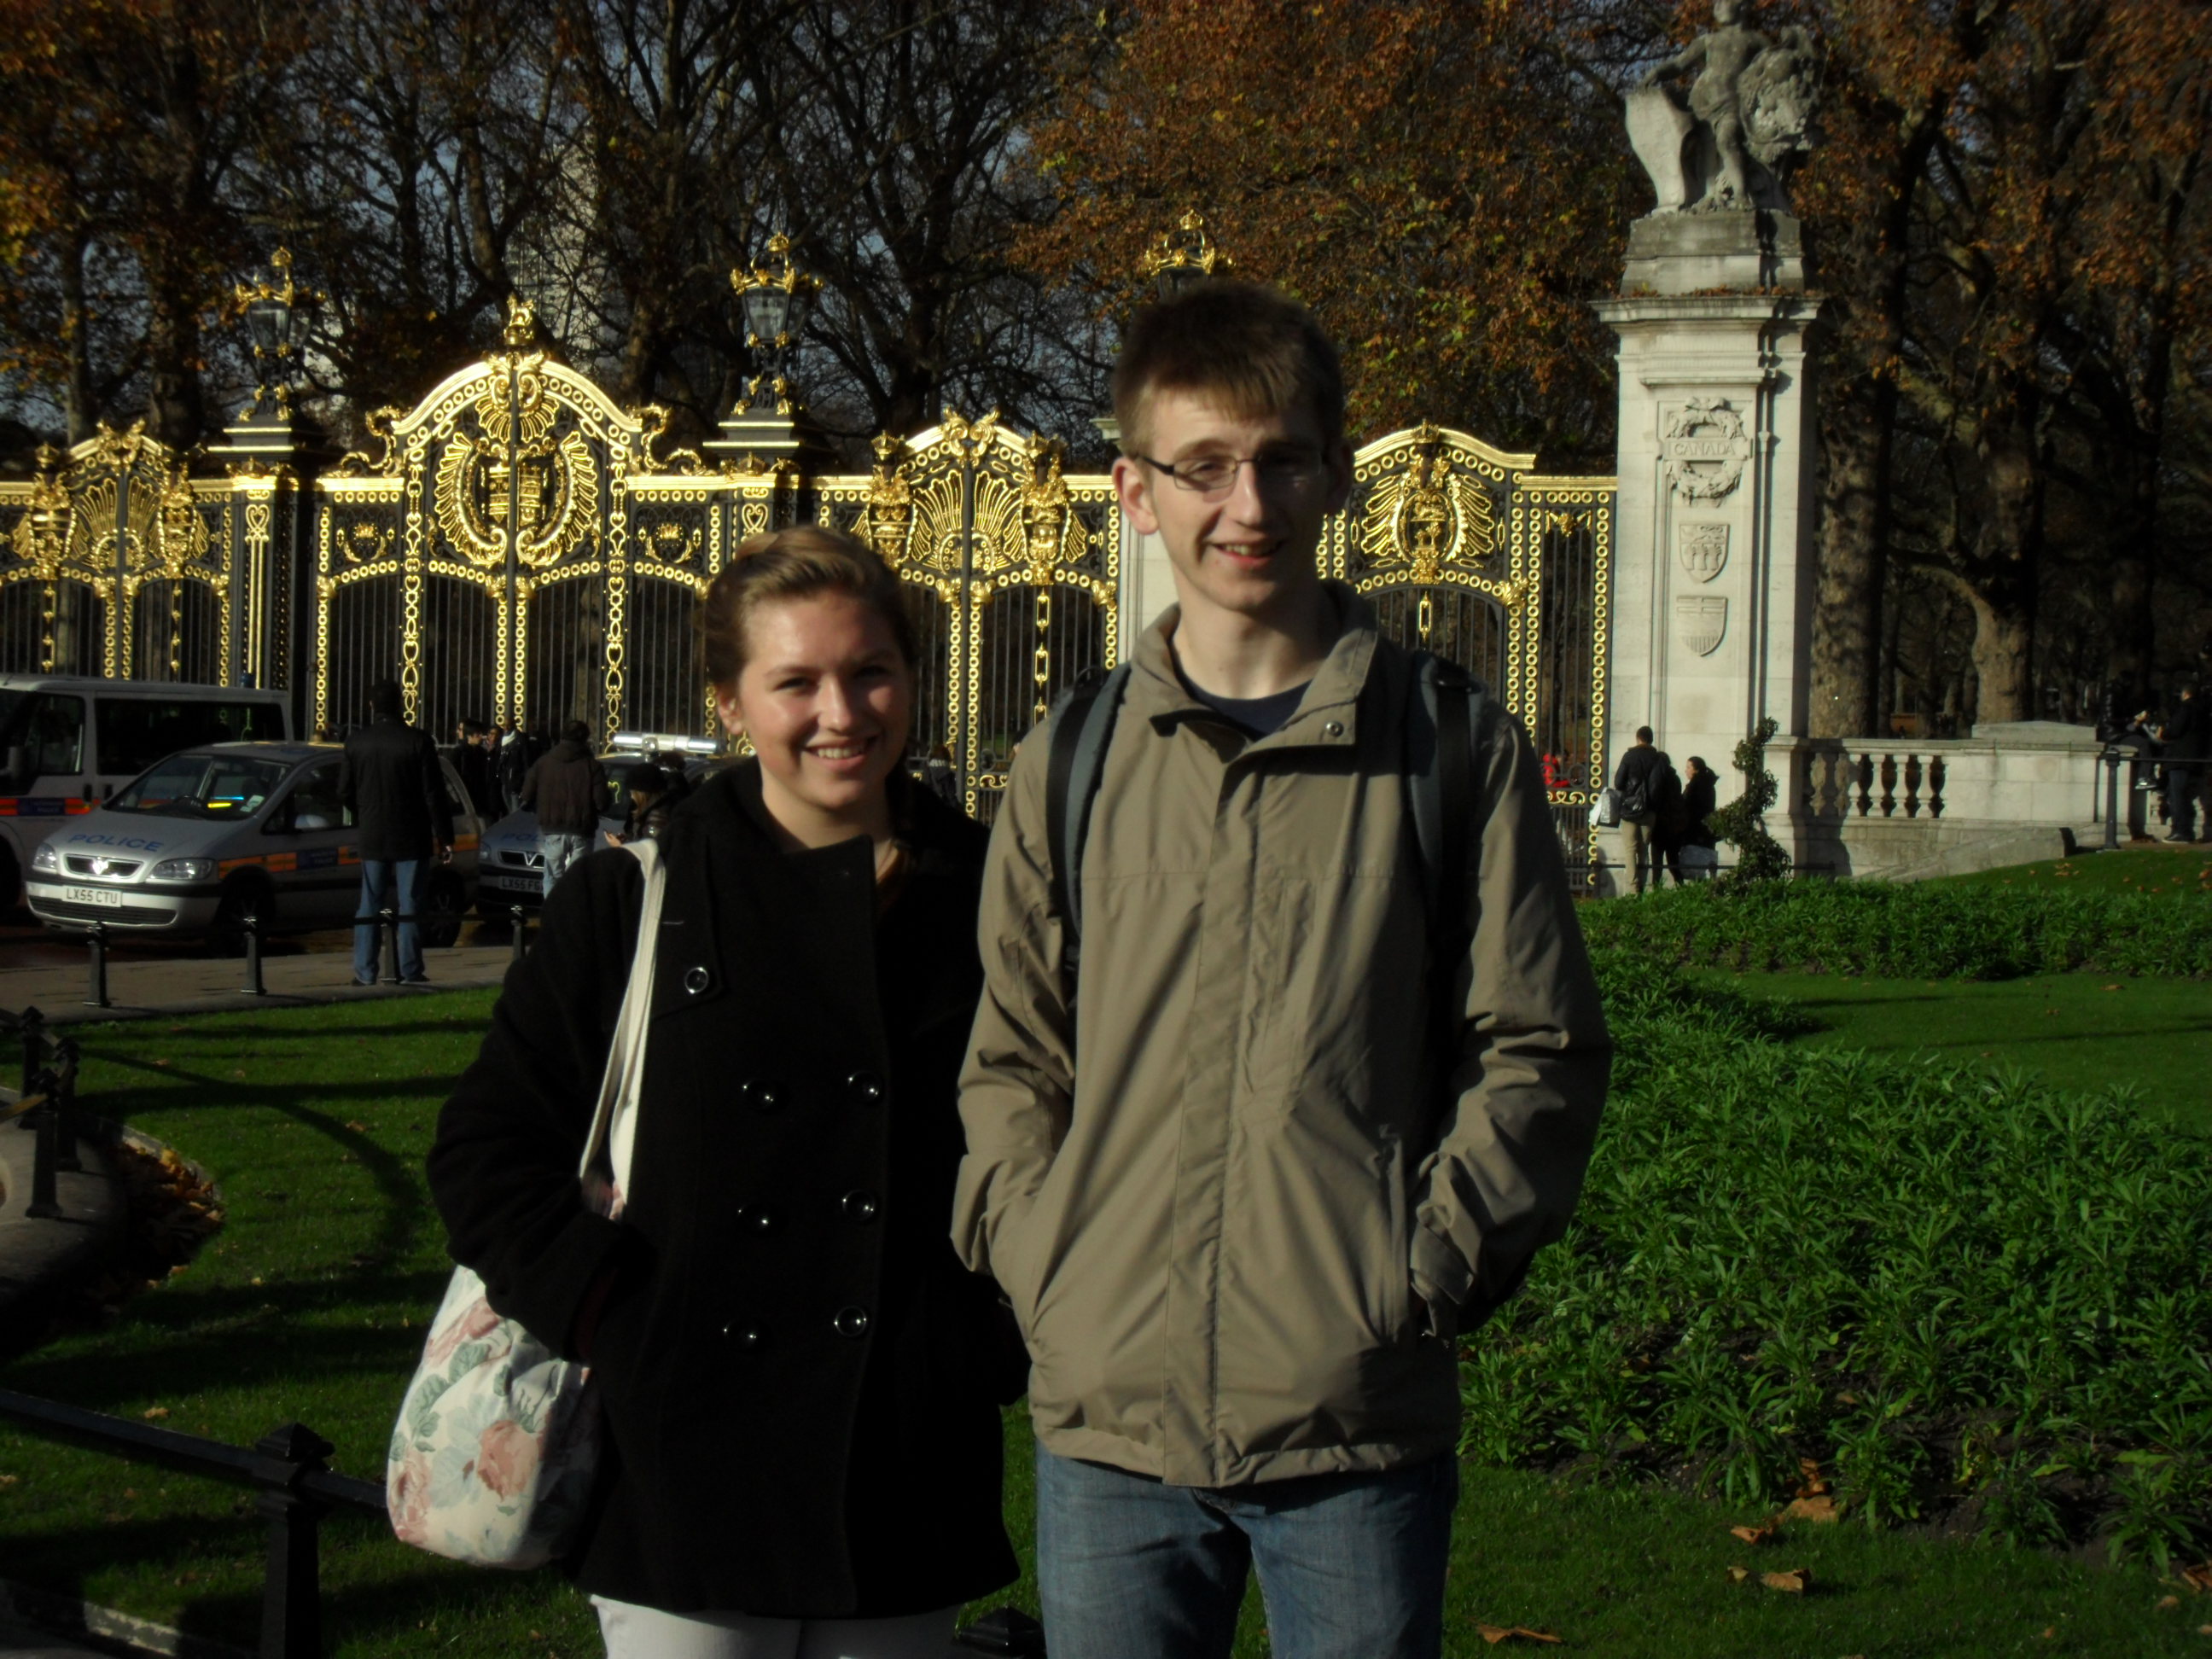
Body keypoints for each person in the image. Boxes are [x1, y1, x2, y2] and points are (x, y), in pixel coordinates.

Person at [953, 281, 1611, 1659]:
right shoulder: (1070, 758)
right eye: (1202, 466)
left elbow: (1534, 1045)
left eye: (1280, 460)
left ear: (1333, 474)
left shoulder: (1449, 748)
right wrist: (1039, 1258)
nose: (1246, 505)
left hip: (1351, 1411)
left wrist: (1424, 1271)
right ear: (1135, 492)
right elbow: (1013, 1053)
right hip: (1110, 1412)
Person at [428, 527, 1022, 1658]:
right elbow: (485, 1151)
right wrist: (616, 1318)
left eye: (871, 672)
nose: (841, 713)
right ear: (731, 706)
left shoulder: (997, 897)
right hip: (686, 1458)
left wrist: (990, 1340)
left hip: (904, 1454)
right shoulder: (632, 898)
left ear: (912, 678)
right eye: (796, 682)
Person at [338, 679, 453, 987]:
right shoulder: (418, 741)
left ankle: (365, 971)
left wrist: (364, 811)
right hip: (411, 833)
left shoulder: (356, 742)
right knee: (411, 902)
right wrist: (444, 836)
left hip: (373, 831)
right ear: (400, 706)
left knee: (369, 902)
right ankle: (410, 969)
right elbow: (433, 794)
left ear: (372, 706)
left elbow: (344, 791)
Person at [521, 720, 608, 896]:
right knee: (577, 878)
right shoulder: (592, 765)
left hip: (553, 827)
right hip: (582, 828)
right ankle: (572, 910)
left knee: (552, 876)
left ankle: (552, 910)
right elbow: (601, 801)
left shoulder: (544, 763)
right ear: (585, 739)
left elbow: (526, 794)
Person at [1613, 725, 1673, 894]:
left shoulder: (1629, 756)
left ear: (1638, 738)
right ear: (1651, 740)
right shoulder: (1658, 758)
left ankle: (1633, 888)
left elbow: (1618, 782)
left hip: (1630, 809)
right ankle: (1643, 885)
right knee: (1644, 849)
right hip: (1649, 810)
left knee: (1630, 849)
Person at [2156, 681, 2204, 842]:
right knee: (2183, 796)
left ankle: (2181, 831)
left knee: (2177, 797)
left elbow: (2176, 730)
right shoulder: (2202, 709)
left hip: (2180, 758)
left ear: (2185, 694)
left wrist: (2163, 733)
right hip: (2194, 758)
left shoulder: (2185, 708)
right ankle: (2185, 829)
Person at [609, 761, 677, 847]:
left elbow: (650, 848)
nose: (632, 797)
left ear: (643, 793)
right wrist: (629, 838)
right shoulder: (651, 810)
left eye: (633, 793)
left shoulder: (657, 816)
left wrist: (621, 845)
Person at [1679, 754, 1720, 880]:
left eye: (1689, 767)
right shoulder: (1708, 784)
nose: (1686, 770)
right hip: (1705, 828)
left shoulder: (1695, 786)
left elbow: (1688, 806)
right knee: (1704, 862)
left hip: (1695, 828)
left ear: (1696, 770)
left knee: (1695, 863)